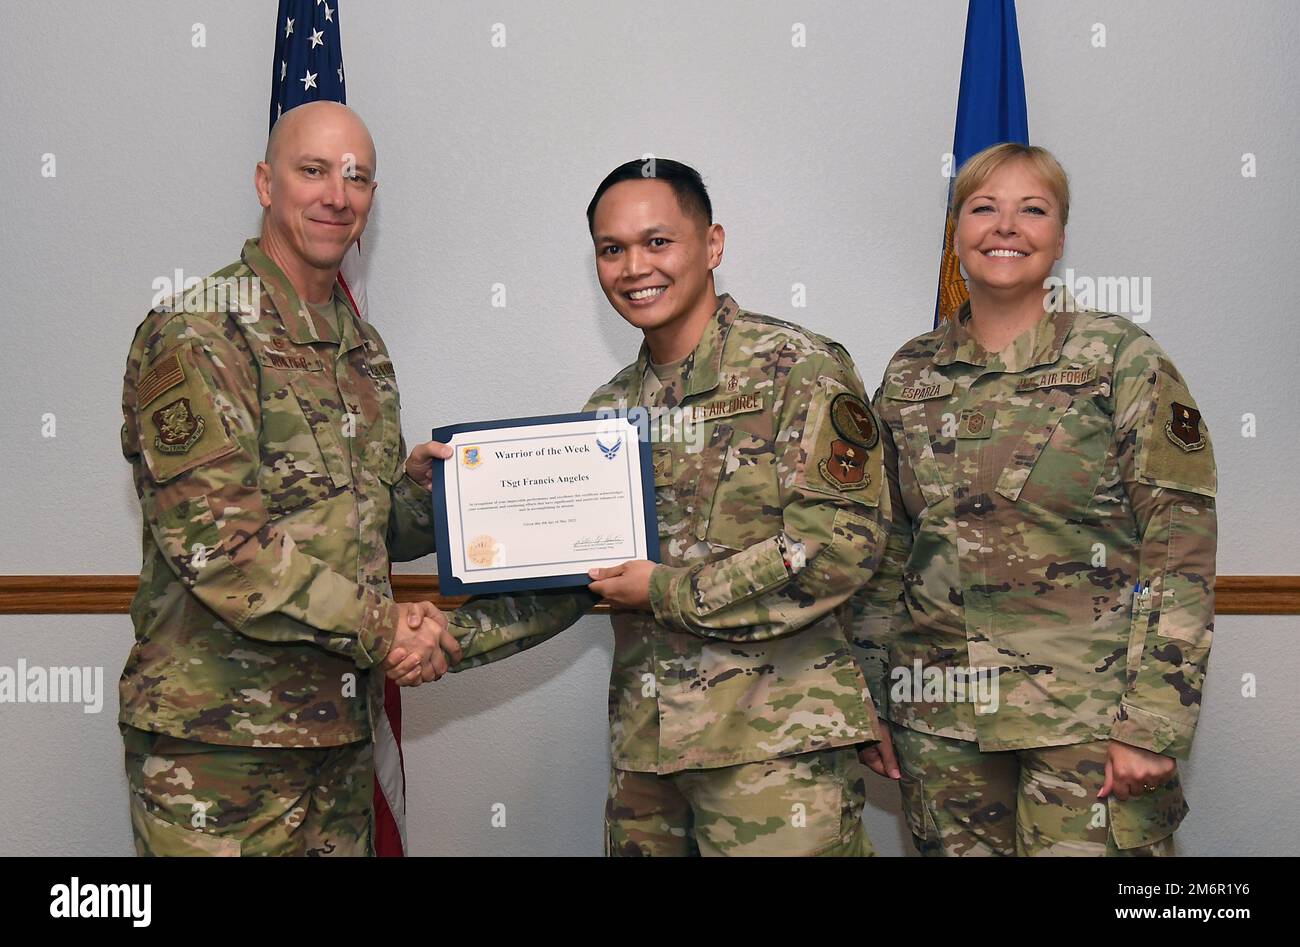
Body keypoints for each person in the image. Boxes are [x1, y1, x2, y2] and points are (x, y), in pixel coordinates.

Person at [399, 158, 890, 856]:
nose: (634, 267)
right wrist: (447, 637)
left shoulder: (799, 369)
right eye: (612, 248)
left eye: (657, 242)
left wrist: (667, 589)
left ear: (712, 244)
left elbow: (837, 546)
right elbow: (567, 581)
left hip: (776, 760)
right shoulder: (609, 412)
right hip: (646, 758)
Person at [854, 143, 1217, 856]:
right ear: (956, 233)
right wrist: (874, 694)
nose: (1005, 227)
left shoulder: (1121, 360)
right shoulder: (909, 374)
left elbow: (1178, 547)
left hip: (1086, 719)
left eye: (1033, 210)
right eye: (983, 208)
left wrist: (1152, 722)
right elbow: (888, 550)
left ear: (1060, 234)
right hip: (939, 720)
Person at [118, 101, 458, 856]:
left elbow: (361, 525)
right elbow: (224, 548)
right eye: (314, 170)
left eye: (358, 177)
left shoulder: (361, 348)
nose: (338, 194)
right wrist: (386, 626)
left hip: (336, 737)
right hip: (221, 752)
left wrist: (434, 499)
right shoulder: (201, 331)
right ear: (266, 183)